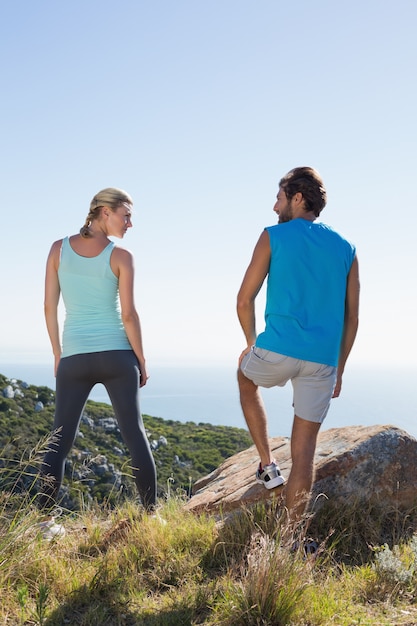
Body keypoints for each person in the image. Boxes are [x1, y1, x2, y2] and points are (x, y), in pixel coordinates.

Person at [237, 167, 359, 528]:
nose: (275, 207)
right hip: (323, 361)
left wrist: (249, 344)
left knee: (245, 377)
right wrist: (339, 367)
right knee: (304, 453)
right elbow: (352, 319)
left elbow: (244, 300)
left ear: (297, 198)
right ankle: (291, 540)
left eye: (279, 198)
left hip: (277, 349)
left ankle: (267, 465)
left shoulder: (273, 236)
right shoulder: (346, 249)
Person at [40, 187, 157, 514]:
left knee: (58, 441)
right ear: (105, 212)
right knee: (134, 434)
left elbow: (49, 306)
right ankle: (150, 515)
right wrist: (142, 360)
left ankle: (44, 521)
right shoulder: (121, 256)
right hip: (118, 357)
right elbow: (129, 316)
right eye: (126, 215)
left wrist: (57, 353)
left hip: (74, 358)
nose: (130, 223)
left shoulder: (57, 250)